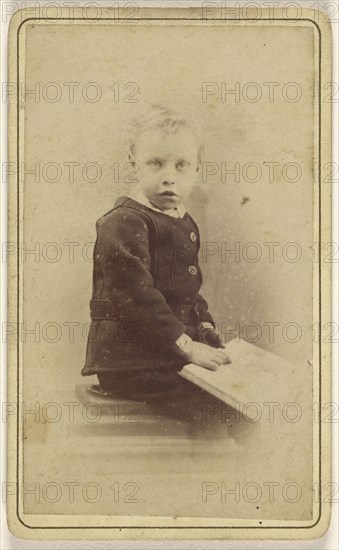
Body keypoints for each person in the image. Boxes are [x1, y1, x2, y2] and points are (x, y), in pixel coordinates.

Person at [81, 105, 231, 431]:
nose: (168, 176)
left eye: (181, 165)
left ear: (196, 169)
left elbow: (187, 291)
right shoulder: (122, 221)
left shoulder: (183, 220)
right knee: (215, 409)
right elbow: (136, 296)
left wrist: (203, 326)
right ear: (133, 163)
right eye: (155, 163)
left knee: (238, 388)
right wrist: (187, 346)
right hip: (130, 359)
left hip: (167, 351)